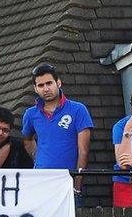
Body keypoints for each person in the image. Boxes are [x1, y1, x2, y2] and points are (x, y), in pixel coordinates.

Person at [21, 63, 93, 201]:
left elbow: (83, 151)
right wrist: (38, 158)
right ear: (35, 88)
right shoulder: (30, 114)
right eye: (41, 85)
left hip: (67, 183)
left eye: (49, 83)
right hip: (40, 183)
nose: (46, 88)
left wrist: (77, 187)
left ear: (58, 82)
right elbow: (27, 140)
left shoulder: (78, 110)